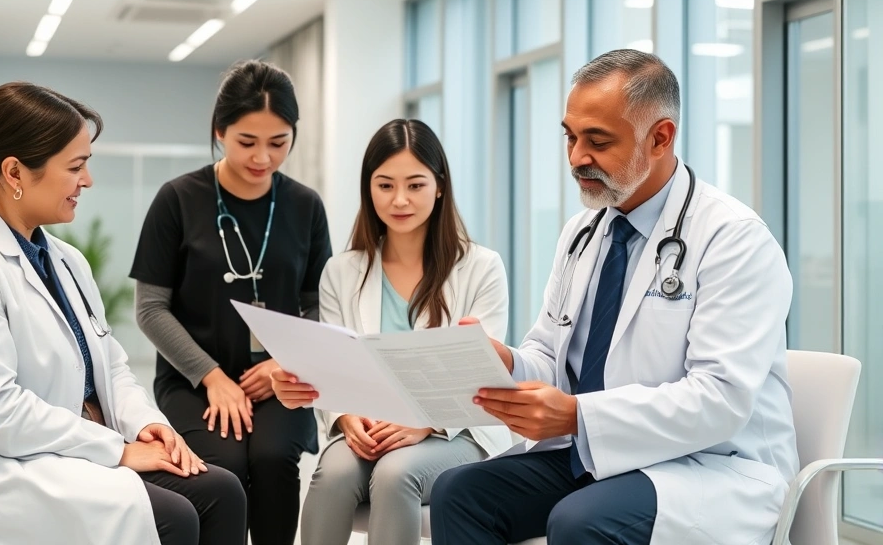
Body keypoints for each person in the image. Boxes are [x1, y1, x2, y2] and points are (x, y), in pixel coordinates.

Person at [429, 49, 799, 545]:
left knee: (579, 520)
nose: (576, 157)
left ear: (660, 137)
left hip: (707, 464)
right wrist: (508, 365)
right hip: (599, 449)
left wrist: (577, 416)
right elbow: (552, 356)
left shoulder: (733, 239)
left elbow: (720, 399)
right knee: (459, 493)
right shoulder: (583, 232)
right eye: (570, 136)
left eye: (598, 141)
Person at [0, 82, 247, 545]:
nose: (88, 181)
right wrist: (117, 449)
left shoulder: (64, 260)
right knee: (172, 517)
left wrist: (145, 425)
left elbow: (111, 366)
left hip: (54, 451)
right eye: (76, 167)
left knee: (222, 492)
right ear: (15, 172)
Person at [270, 119, 513, 545]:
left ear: (440, 186)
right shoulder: (342, 272)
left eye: (415, 185)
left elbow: (480, 375)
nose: (399, 200)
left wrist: (424, 422)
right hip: (369, 425)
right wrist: (346, 417)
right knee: (333, 474)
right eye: (385, 185)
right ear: (369, 189)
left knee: (395, 473)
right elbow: (333, 367)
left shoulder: (482, 268)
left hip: (456, 430)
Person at [130, 59, 332, 545]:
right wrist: (212, 376)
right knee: (224, 465)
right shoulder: (178, 200)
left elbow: (318, 305)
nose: (263, 157)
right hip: (194, 380)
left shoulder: (305, 206)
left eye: (278, 142)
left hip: (282, 381)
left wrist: (285, 361)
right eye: (247, 142)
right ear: (219, 131)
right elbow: (151, 308)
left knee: (273, 457)